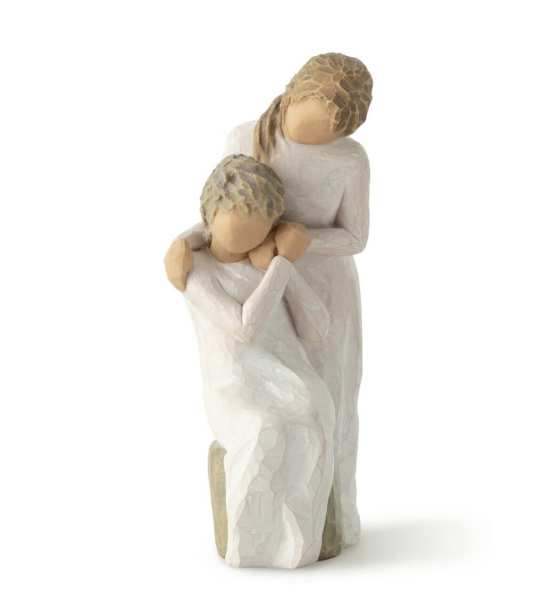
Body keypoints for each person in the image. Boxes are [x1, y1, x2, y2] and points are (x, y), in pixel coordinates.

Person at [166, 53, 372, 547]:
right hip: (251, 280)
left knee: (332, 400)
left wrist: (298, 242)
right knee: (275, 398)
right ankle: (266, 529)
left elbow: (356, 236)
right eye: (305, 124)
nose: (310, 139)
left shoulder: (350, 161)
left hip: (322, 284)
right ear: (293, 92)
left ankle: (329, 522)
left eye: (325, 133)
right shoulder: (247, 138)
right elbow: (224, 206)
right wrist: (187, 244)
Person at [183, 154, 335, 568]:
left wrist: (284, 269)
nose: (242, 245)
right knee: (265, 430)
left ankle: (299, 541)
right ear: (209, 217)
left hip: (287, 375)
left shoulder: (264, 263)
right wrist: (281, 265)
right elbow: (244, 327)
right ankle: (250, 546)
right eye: (235, 231)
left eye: (255, 231)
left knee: (313, 418)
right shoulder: (197, 271)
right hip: (235, 385)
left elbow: (318, 328)